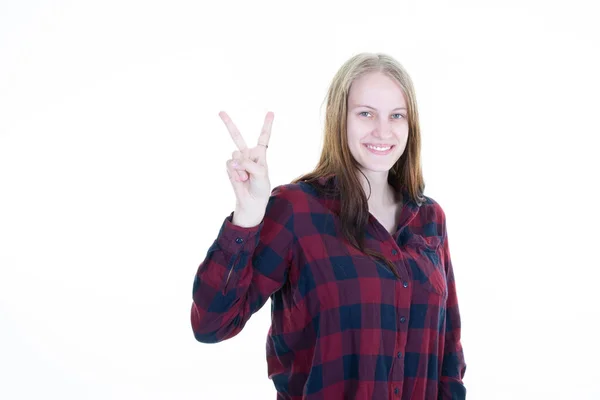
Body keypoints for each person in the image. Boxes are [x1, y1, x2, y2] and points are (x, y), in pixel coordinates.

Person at [190, 52, 466, 399]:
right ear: (341, 119)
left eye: (397, 115)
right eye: (366, 113)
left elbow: (448, 354)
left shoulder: (429, 219)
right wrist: (247, 216)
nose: (383, 130)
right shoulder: (297, 209)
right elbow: (211, 323)